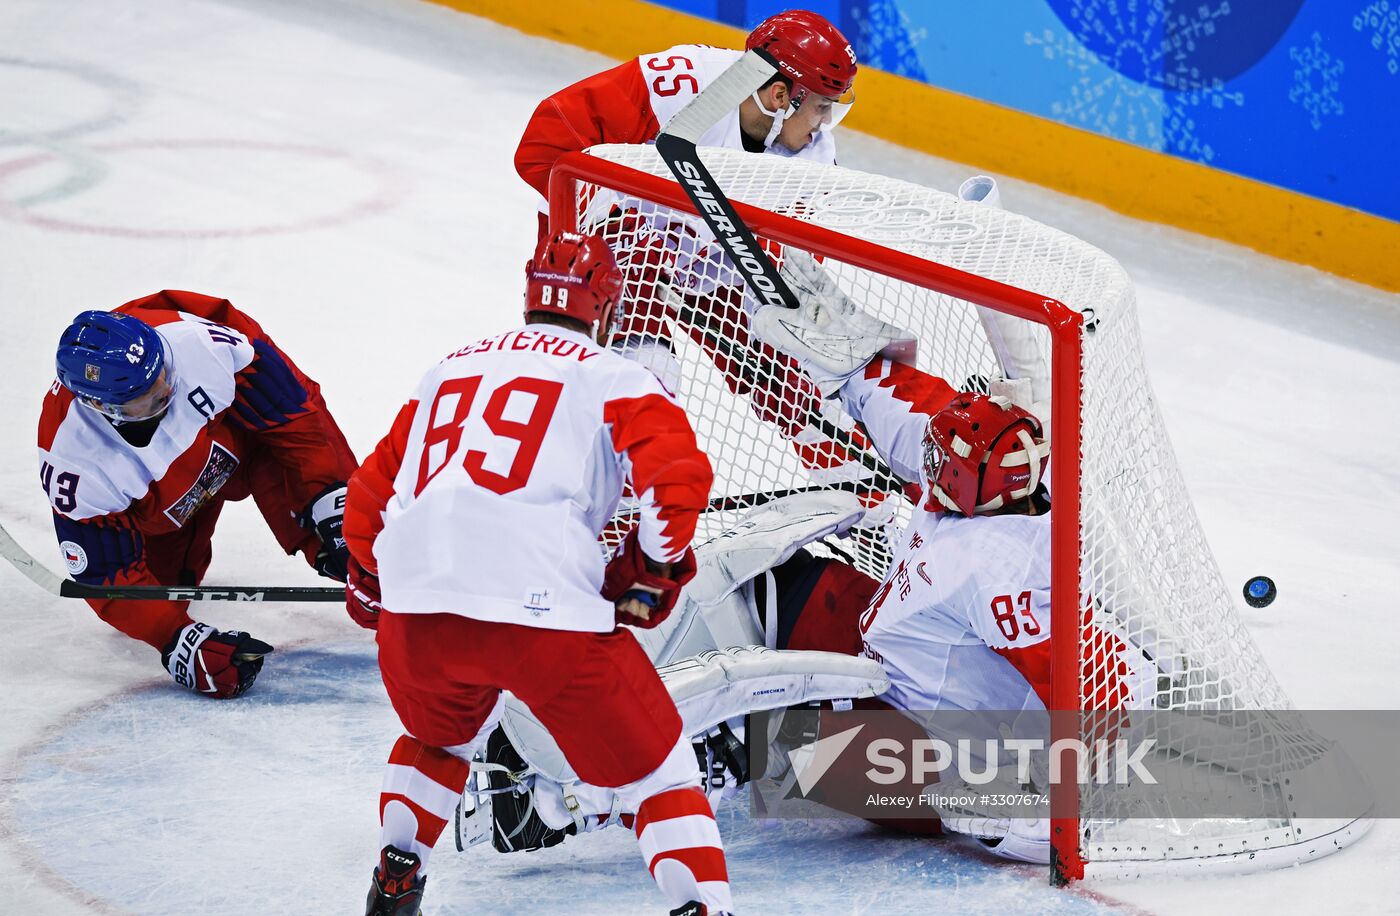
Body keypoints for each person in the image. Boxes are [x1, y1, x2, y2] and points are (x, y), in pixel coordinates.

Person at [347, 232, 733, 916]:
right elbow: (676, 486)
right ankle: (704, 907)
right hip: (544, 616)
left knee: (439, 738)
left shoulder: (449, 367)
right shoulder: (614, 374)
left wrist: (374, 585)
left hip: (419, 612)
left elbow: (372, 495)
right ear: (605, 309)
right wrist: (647, 572)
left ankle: (398, 870)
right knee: (659, 775)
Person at [516, 10, 871, 488]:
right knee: (640, 375)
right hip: (619, 246)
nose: (826, 125)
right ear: (780, 95)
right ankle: (598, 495)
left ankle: (868, 504)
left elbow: (788, 270)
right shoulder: (680, 85)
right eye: (823, 107)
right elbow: (544, 141)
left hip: (707, 258)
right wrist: (621, 230)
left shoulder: (813, 159)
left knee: (800, 388)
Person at [37, 291, 357, 699]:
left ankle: (346, 546)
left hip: (236, 431)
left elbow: (293, 416)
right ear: (101, 405)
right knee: (168, 587)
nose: (167, 391)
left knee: (334, 510)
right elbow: (108, 577)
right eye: (148, 396)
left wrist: (334, 500)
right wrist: (177, 639)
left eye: (163, 375)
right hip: (163, 503)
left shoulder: (199, 346)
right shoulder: (77, 462)